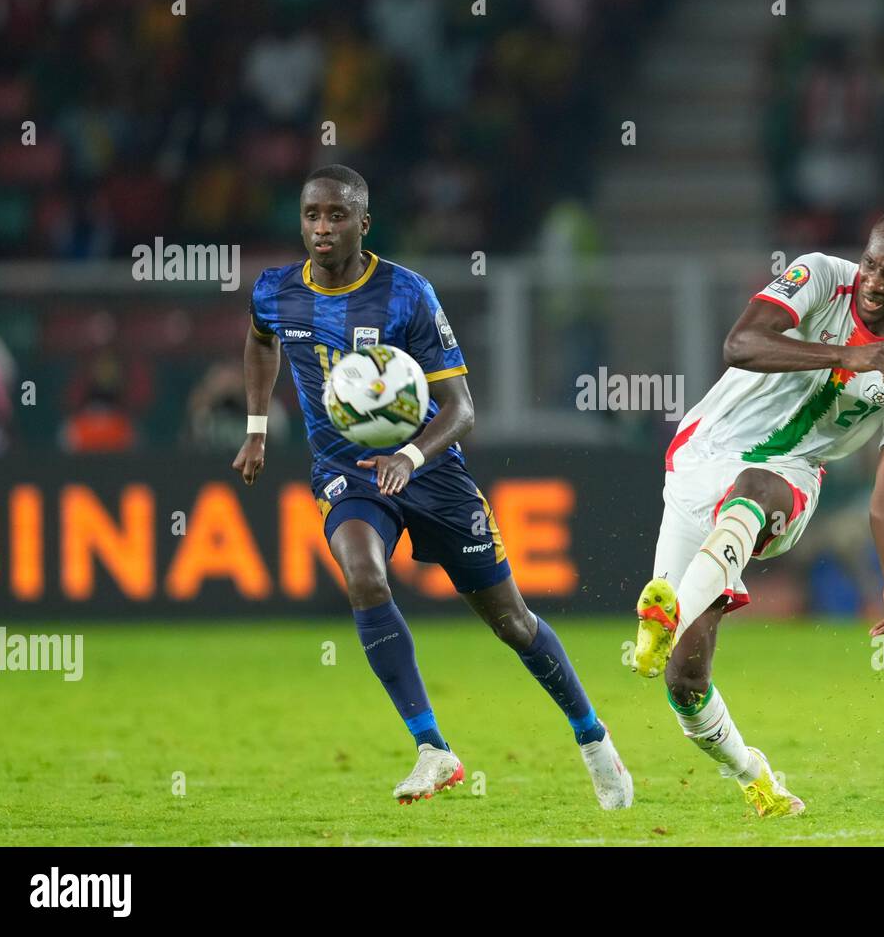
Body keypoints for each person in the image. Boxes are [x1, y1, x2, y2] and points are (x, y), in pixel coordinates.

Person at [234, 165, 632, 809]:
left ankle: (591, 737)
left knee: (512, 622)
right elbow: (259, 343)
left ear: (365, 223)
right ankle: (432, 748)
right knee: (363, 575)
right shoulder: (277, 291)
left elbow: (462, 409)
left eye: (337, 216)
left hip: (432, 472)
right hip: (347, 473)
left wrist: (412, 456)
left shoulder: (405, 295)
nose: (322, 228)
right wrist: (256, 428)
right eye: (312, 215)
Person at [631, 206, 884, 817]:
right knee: (684, 684)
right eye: (872, 265)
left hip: (789, 480)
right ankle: (756, 776)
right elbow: (739, 344)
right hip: (699, 459)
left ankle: (666, 609)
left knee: (758, 483)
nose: (877, 283)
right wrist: (841, 357)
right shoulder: (820, 277)